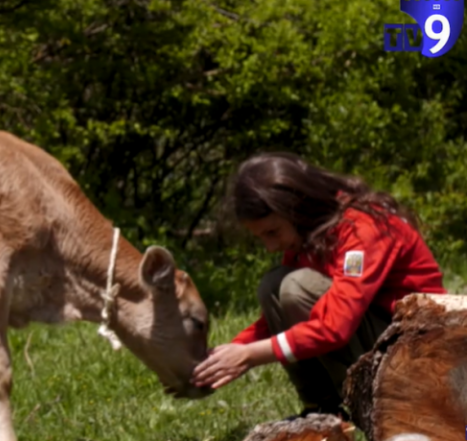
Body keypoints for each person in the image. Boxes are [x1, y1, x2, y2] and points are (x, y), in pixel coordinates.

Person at [191, 152, 447, 420]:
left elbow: (334, 326)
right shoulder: (310, 234)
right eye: (261, 238)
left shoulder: (362, 229)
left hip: (423, 354)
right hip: (382, 337)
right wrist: (226, 356)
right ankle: (323, 412)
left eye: (273, 232)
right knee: (274, 285)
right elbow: (274, 320)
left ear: (296, 208)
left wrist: (250, 355)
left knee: (295, 288)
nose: (271, 246)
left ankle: (377, 406)